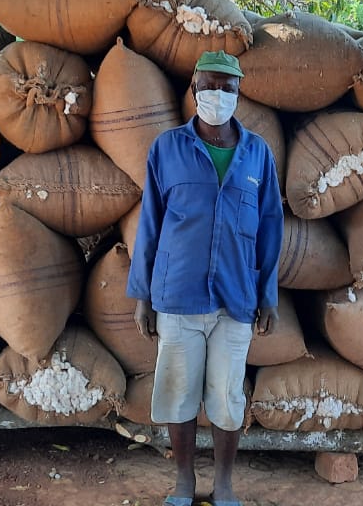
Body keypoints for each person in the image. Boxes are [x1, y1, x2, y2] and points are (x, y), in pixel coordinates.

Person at [126, 50, 284, 506]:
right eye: (209, 86)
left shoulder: (257, 154)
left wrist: (268, 296)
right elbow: (150, 223)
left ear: (238, 92)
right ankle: (183, 481)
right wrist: (142, 295)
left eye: (226, 87)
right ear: (194, 90)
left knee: (227, 397)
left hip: (236, 298)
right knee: (177, 394)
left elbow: (270, 226)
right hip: (178, 294)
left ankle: (224, 483)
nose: (217, 94)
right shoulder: (167, 148)